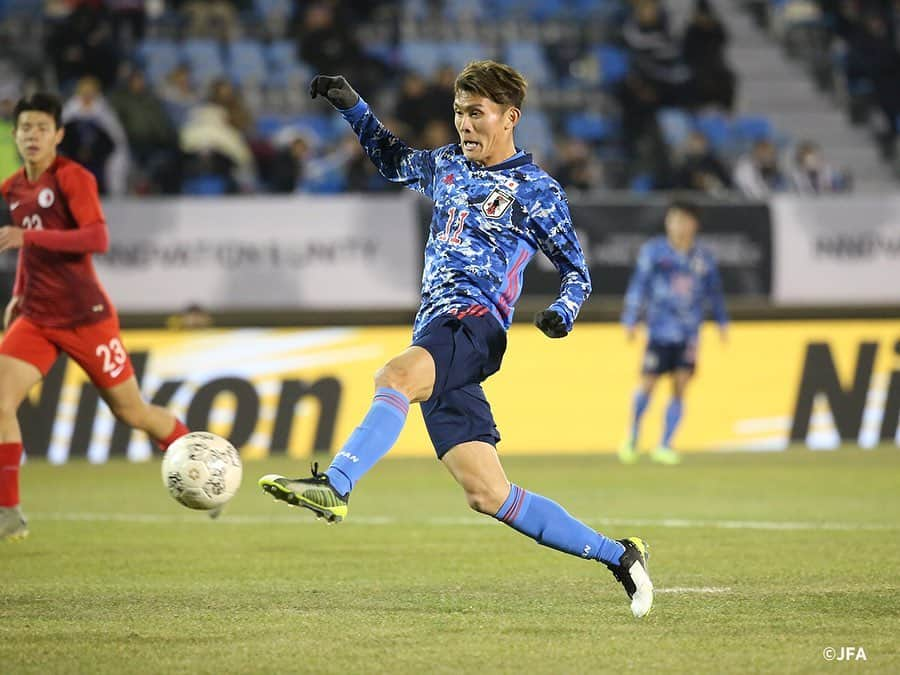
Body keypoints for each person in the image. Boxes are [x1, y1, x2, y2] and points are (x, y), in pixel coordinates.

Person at [257, 61, 653, 618]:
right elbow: (393, 159)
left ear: (509, 117)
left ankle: (338, 485)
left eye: (476, 114)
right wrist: (352, 106)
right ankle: (620, 555)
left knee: (394, 377)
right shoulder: (446, 165)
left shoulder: (534, 189)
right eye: (459, 113)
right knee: (488, 494)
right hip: (436, 330)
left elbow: (576, 271)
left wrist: (563, 311)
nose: (464, 125)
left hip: (474, 324)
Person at [0, 93, 191, 541]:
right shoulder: (12, 188)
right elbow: (32, 251)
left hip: (86, 318)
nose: (32, 135)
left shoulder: (73, 178)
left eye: (42, 128)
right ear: (15, 134)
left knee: (133, 412)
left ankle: (199, 459)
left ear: (58, 135)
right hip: (37, 318)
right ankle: (9, 511)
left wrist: (30, 239)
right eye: (25, 127)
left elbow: (96, 238)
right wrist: (18, 293)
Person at [619, 199, 728, 466]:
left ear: (694, 224)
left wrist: (723, 322)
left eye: (683, 220)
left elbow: (714, 294)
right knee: (648, 383)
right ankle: (632, 436)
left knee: (680, 386)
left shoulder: (703, 259)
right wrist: (631, 318)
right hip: (658, 331)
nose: (678, 226)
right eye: (673, 220)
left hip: (689, 333)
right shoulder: (655, 253)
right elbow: (639, 286)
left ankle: (665, 444)